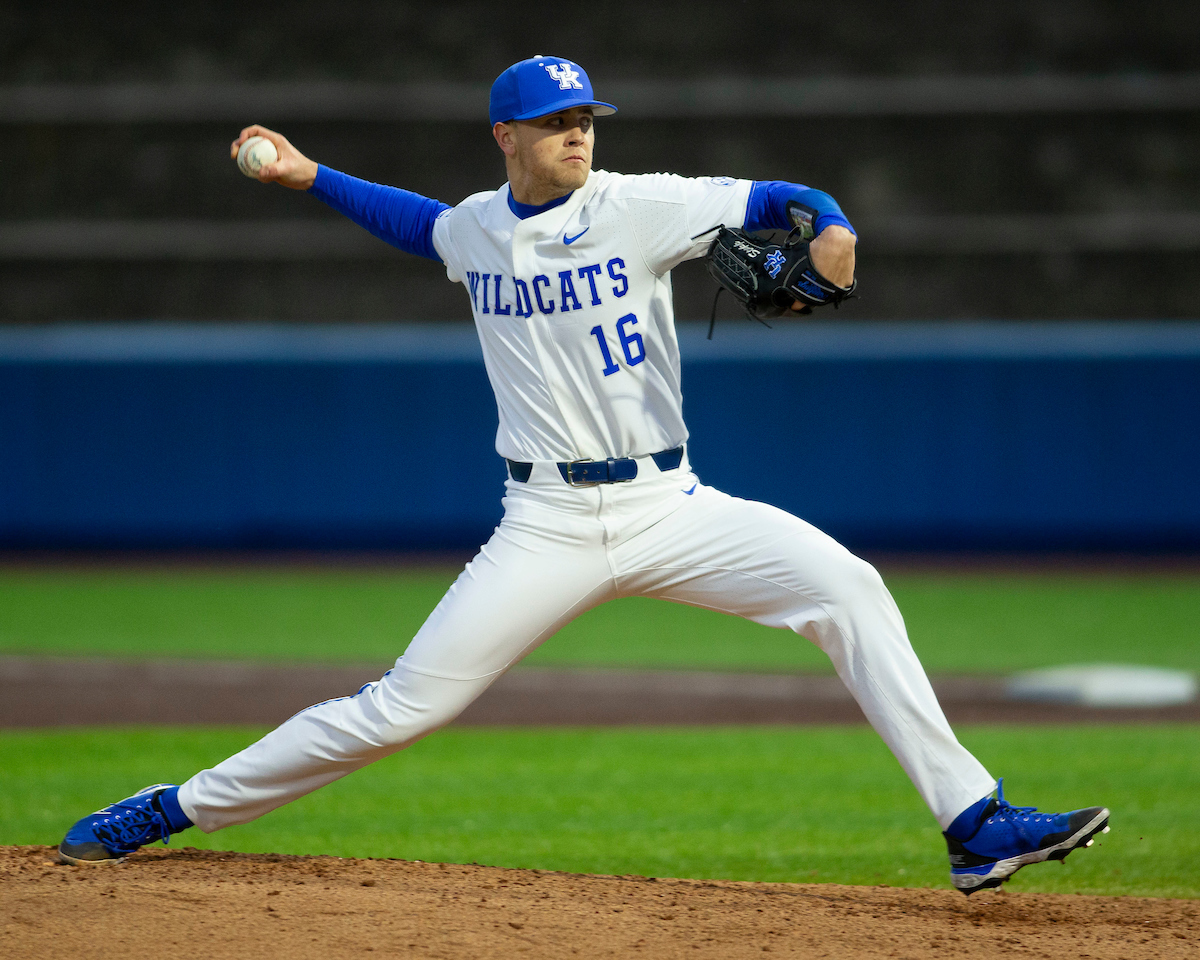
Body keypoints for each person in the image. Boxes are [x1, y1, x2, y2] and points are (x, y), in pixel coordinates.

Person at [59, 55, 1108, 894]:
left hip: (672, 504)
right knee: (399, 711)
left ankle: (973, 824)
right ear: (506, 137)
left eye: (588, 120)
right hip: (546, 522)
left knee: (849, 588)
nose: (578, 135)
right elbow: (410, 220)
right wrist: (307, 176)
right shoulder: (474, 228)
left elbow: (781, 194)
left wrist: (831, 224)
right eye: (558, 122)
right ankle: (171, 808)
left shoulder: (637, 205)